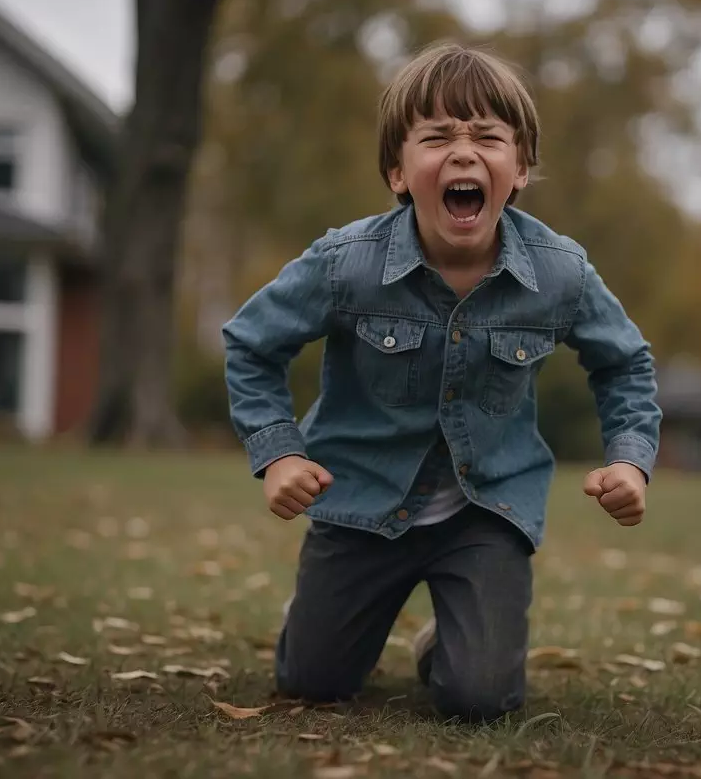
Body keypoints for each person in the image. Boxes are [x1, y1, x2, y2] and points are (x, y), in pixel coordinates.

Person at [222, 41, 661, 723]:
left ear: (519, 170)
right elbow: (251, 343)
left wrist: (628, 462)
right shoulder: (346, 264)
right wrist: (280, 452)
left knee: (479, 698)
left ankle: (451, 644)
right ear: (397, 171)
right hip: (359, 503)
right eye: (436, 138)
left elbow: (624, 362)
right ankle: (323, 619)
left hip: (486, 512)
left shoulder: (561, 274)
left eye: (487, 137)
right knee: (312, 682)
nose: (463, 153)